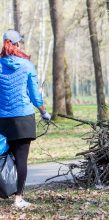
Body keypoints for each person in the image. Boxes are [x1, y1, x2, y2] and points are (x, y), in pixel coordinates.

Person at [0, 30, 51, 208]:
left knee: (3, 156)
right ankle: (18, 199)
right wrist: (44, 112)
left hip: (2, 120)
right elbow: (35, 95)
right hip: (23, 118)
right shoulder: (27, 65)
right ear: (16, 44)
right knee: (21, 159)